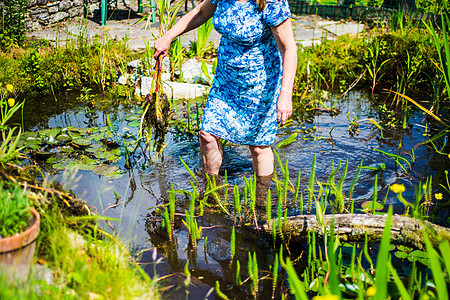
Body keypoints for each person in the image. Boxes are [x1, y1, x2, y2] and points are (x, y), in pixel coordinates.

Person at [154, 0, 297, 178]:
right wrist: (168, 37)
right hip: (226, 81)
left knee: (258, 147)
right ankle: (211, 191)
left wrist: (285, 94)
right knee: (208, 135)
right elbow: (200, 13)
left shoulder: (272, 2)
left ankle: (262, 199)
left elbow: (288, 48)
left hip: (260, 86)